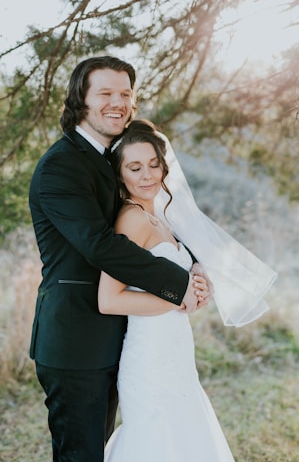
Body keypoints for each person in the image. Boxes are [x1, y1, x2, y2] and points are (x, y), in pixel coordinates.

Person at [28, 56, 211, 462]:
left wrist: (193, 264)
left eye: (125, 94)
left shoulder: (111, 159)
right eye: (105, 93)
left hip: (122, 340)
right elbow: (99, 245)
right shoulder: (63, 165)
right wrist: (178, 285)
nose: (118, 102)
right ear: (81, 99)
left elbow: (149, 215)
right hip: (76, 340)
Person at [98, 119, 235, 462]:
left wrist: (199, 277)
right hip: (149, 356)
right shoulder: (130, 220)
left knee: (185, 436)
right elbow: (109, 299)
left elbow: (178, 273)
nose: (147, 175)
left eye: (153, 164)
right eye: (135, 167)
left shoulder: (159, 216)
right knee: (156, 440)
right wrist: (177, 297)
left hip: (176, 350)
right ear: (120, 175)